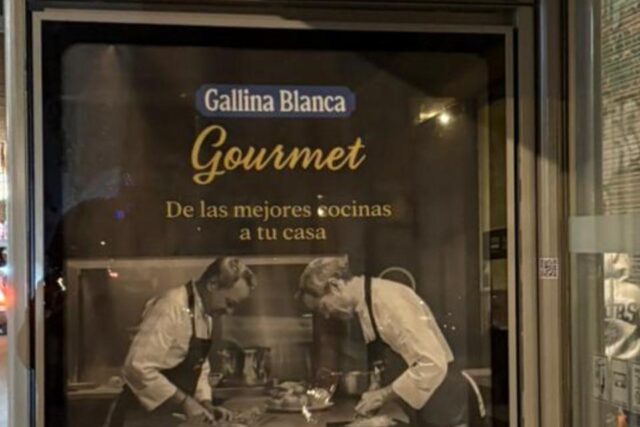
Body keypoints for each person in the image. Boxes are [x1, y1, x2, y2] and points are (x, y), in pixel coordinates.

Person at [297, 257, 469, 427]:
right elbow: (388, 357)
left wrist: (382, 395)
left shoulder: (390, 301)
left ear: (335, 285)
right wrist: (375, 390)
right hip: (424, 408)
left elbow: (432, 363)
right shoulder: (366, 304)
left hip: (445, 405)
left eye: (323, 307)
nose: (327, 315)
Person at [105, 257, 257, 427]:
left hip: (168, 420)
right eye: (229, 303)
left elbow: (199, 366)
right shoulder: (171, 305)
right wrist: (184, 402)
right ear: (213, 284)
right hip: (138, 418)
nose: (229, 311)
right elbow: (137, 367)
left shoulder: (206, 315)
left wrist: (205, 404)